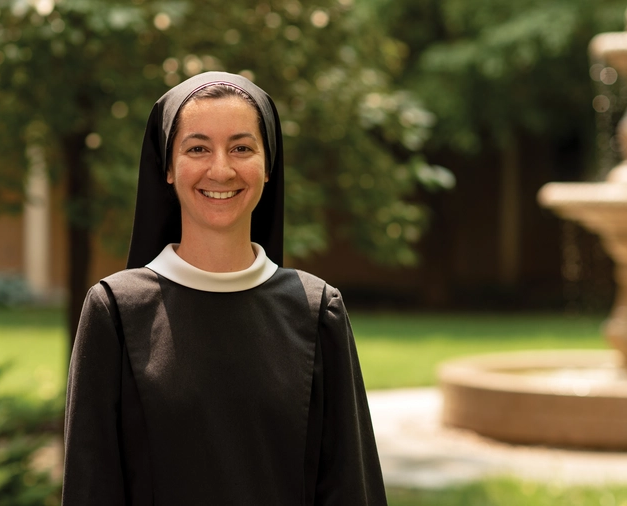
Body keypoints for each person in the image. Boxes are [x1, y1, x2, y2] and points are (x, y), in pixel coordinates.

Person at [62, 72, 387, 505]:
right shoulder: (116, 311)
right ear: (168, 168)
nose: (221, 169)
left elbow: (350, 490)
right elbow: (91, 490)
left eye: (241, 148)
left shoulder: (316, 312)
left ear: (268, 167)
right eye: (197, 148)